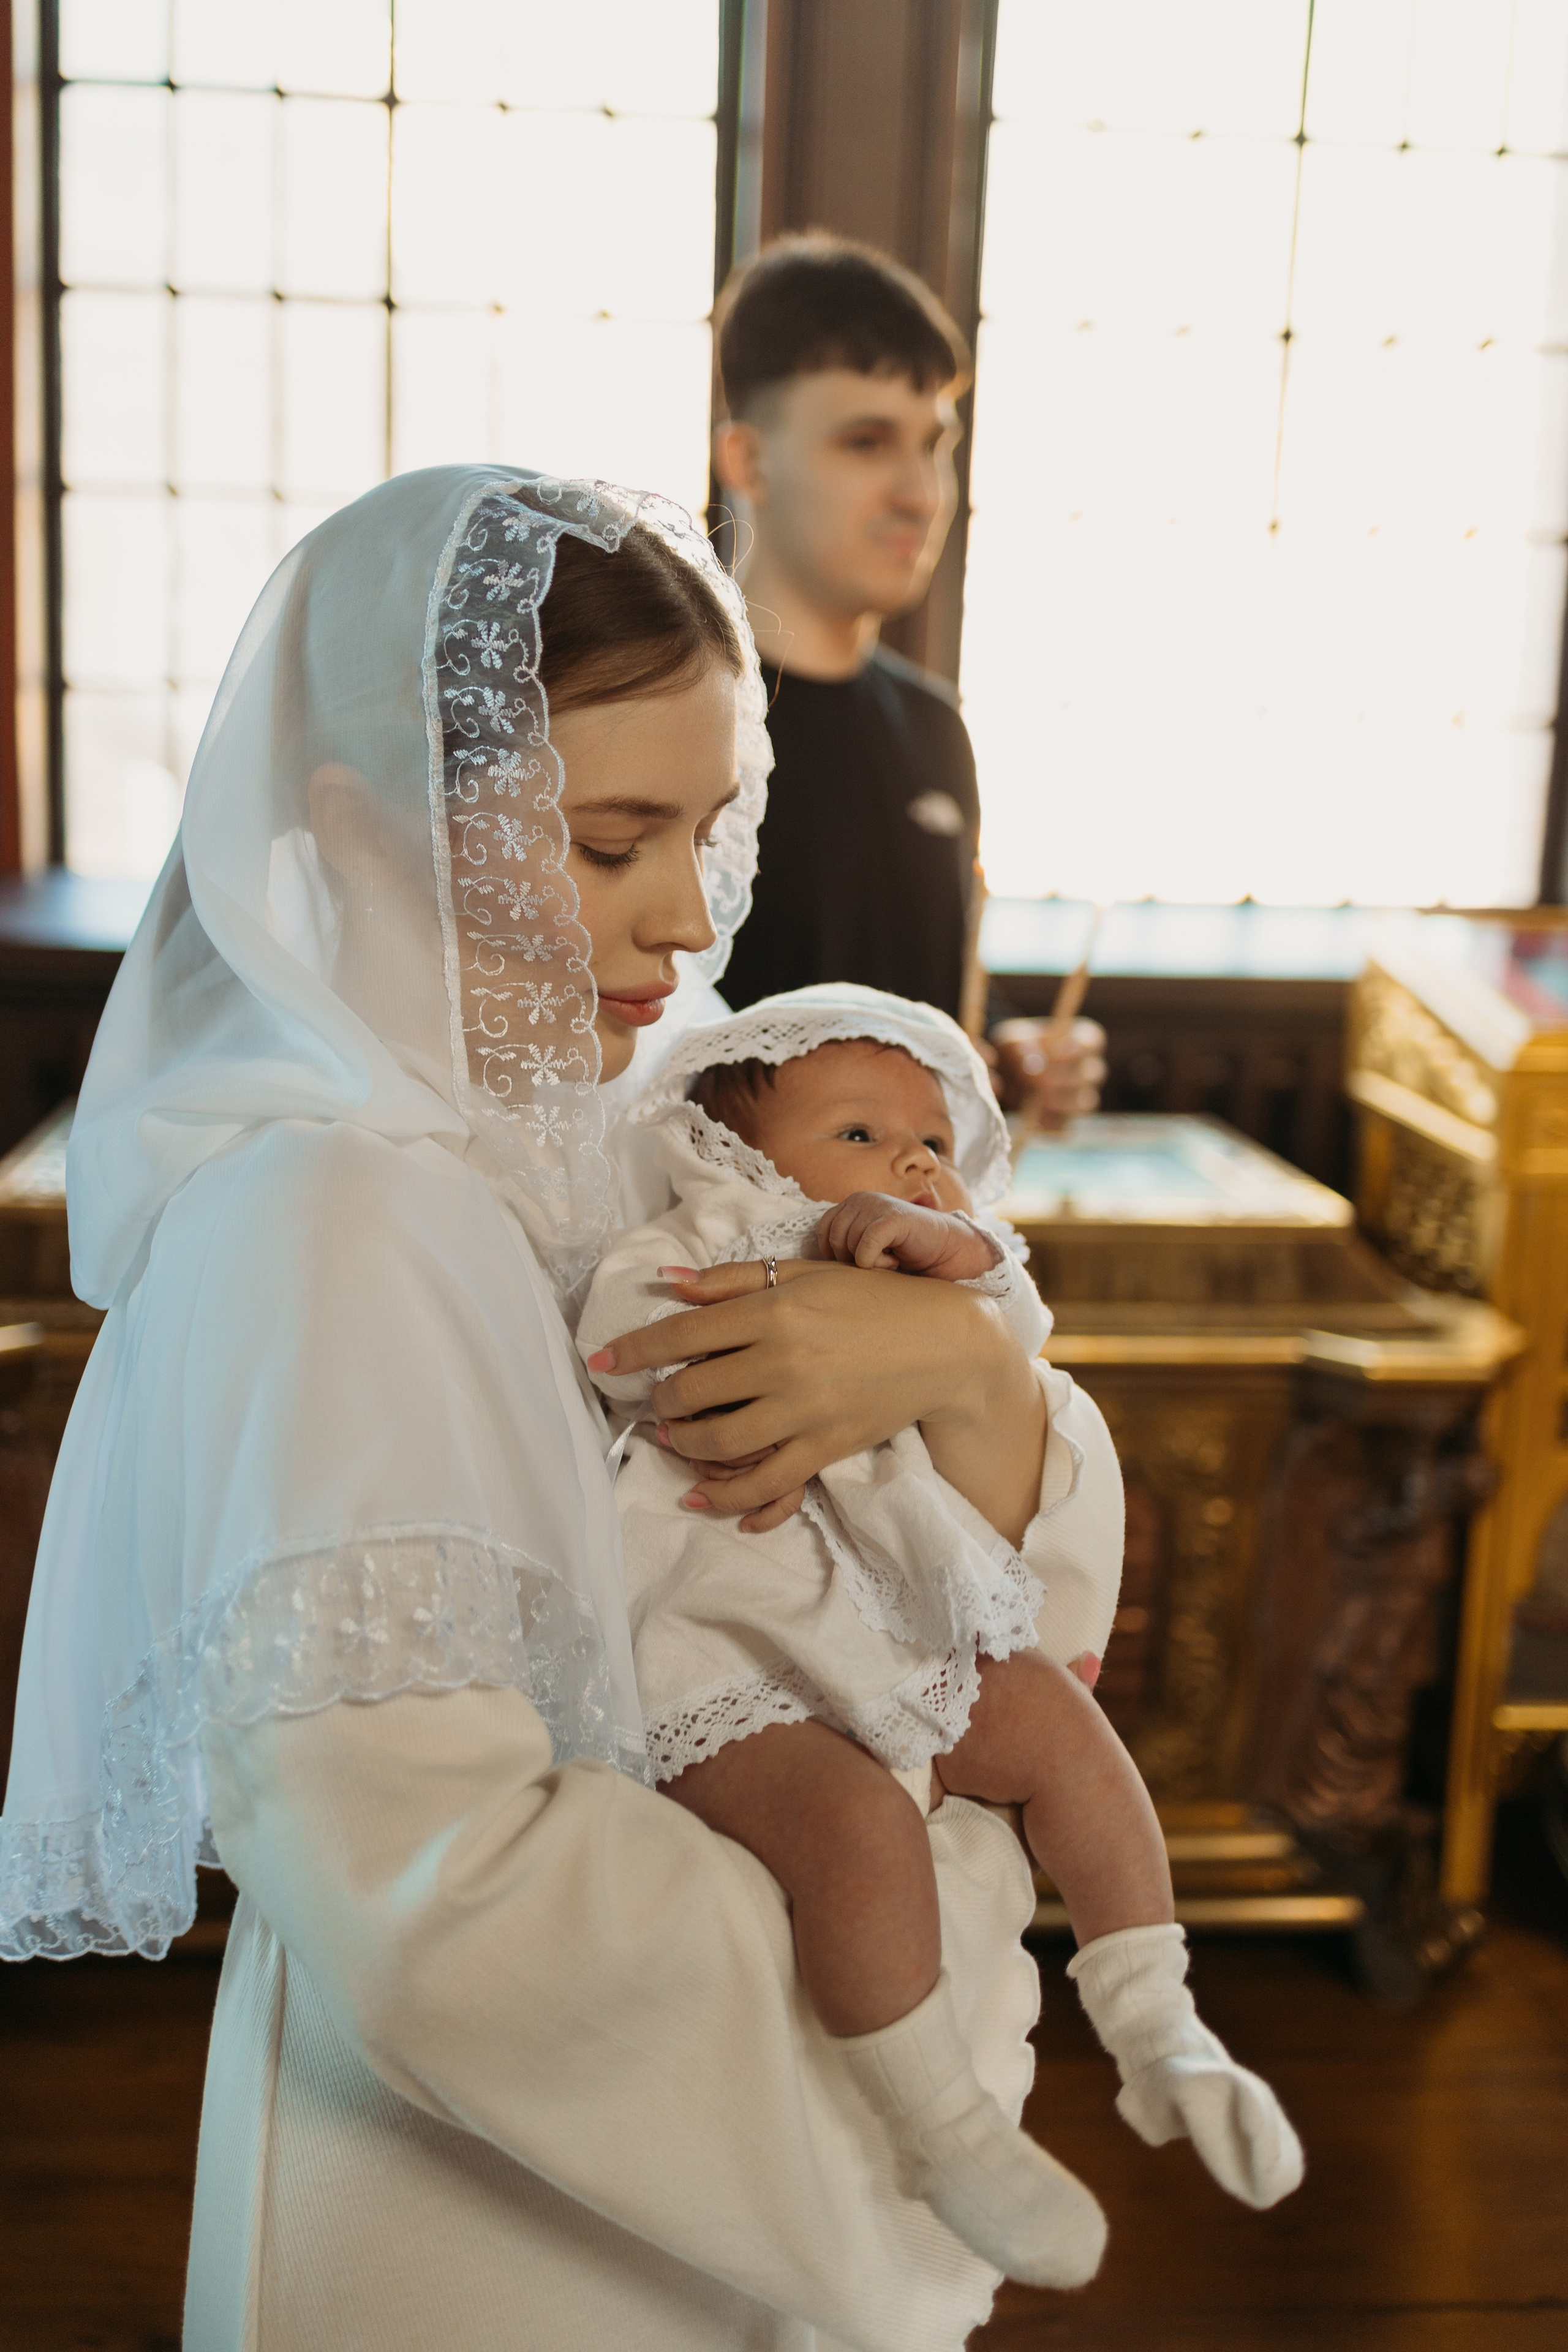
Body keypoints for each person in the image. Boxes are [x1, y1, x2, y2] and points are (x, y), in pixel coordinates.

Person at [0, 466, 1123, 2352]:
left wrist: (969, 1363)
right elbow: (446, 1911)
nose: (685, 918)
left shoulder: (617, 1151)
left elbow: (973, 1579)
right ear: (361, 832)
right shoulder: (333, 1225)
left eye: (704, 831)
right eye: (609, 847)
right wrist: (928, 1902)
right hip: (500, 2223)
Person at [576, 983, 1303, 2290]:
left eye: (928, 1136)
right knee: (854, 1830)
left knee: (1061, 1733)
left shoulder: (940, 1254)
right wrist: (805, 1273)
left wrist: (947, 1257)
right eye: (858, 1133)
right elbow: (626, 1348)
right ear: (727, 1148)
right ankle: (939, 2131)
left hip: (890, 1615)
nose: (909, 1158)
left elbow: (1011, 1339)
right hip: (727, 1640)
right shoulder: (689, 1232)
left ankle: (1154, 2019)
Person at [711, 233, 1105, 1126]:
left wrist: (1008, 1051)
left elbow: (928, 997)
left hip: (913, 1246)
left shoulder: (934, 726)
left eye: (934, 444)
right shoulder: (671, 716)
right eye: (866, 442)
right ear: (747, 460)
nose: (921, 491)